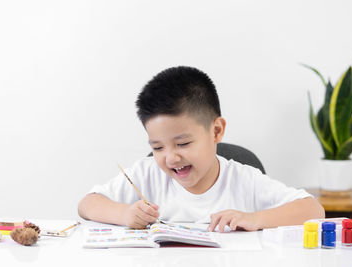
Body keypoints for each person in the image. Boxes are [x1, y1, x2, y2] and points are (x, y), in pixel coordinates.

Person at [78, 66, 324, 232]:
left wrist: (254, 218)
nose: (171, 157)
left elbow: (313, 209)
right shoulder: (147, 174)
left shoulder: (243, 180)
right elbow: (87, 204)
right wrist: (124, 214)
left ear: (216, 131)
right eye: (158, 147)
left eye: (183, 144)